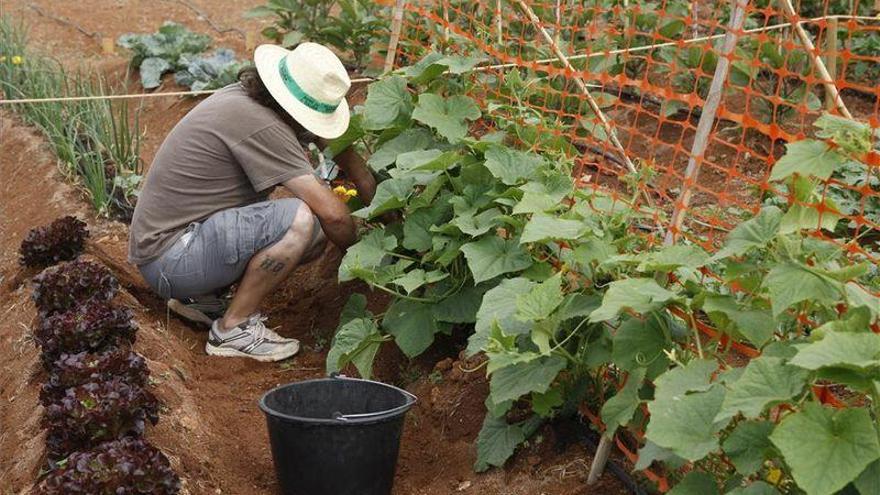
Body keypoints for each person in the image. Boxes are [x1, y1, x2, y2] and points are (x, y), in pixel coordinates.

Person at [128, 42, 375, 362]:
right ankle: (233, 328)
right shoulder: (263, 126)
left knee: (312, 234)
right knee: (301, 219)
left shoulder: (250, 99)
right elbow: (336, 216)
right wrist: (363, 259)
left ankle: (203, 298)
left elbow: (341, 154)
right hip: (172, 260)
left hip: (174, 247)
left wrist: (374, 191)